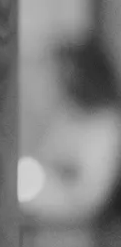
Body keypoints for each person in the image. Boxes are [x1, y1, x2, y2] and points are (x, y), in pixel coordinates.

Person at [21, 37, 121, 223]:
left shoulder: (107, 124)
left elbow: (86, 196)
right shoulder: (67, 116)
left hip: (79, 228)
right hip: (45, 215)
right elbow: (45, 162)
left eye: (65, 72)